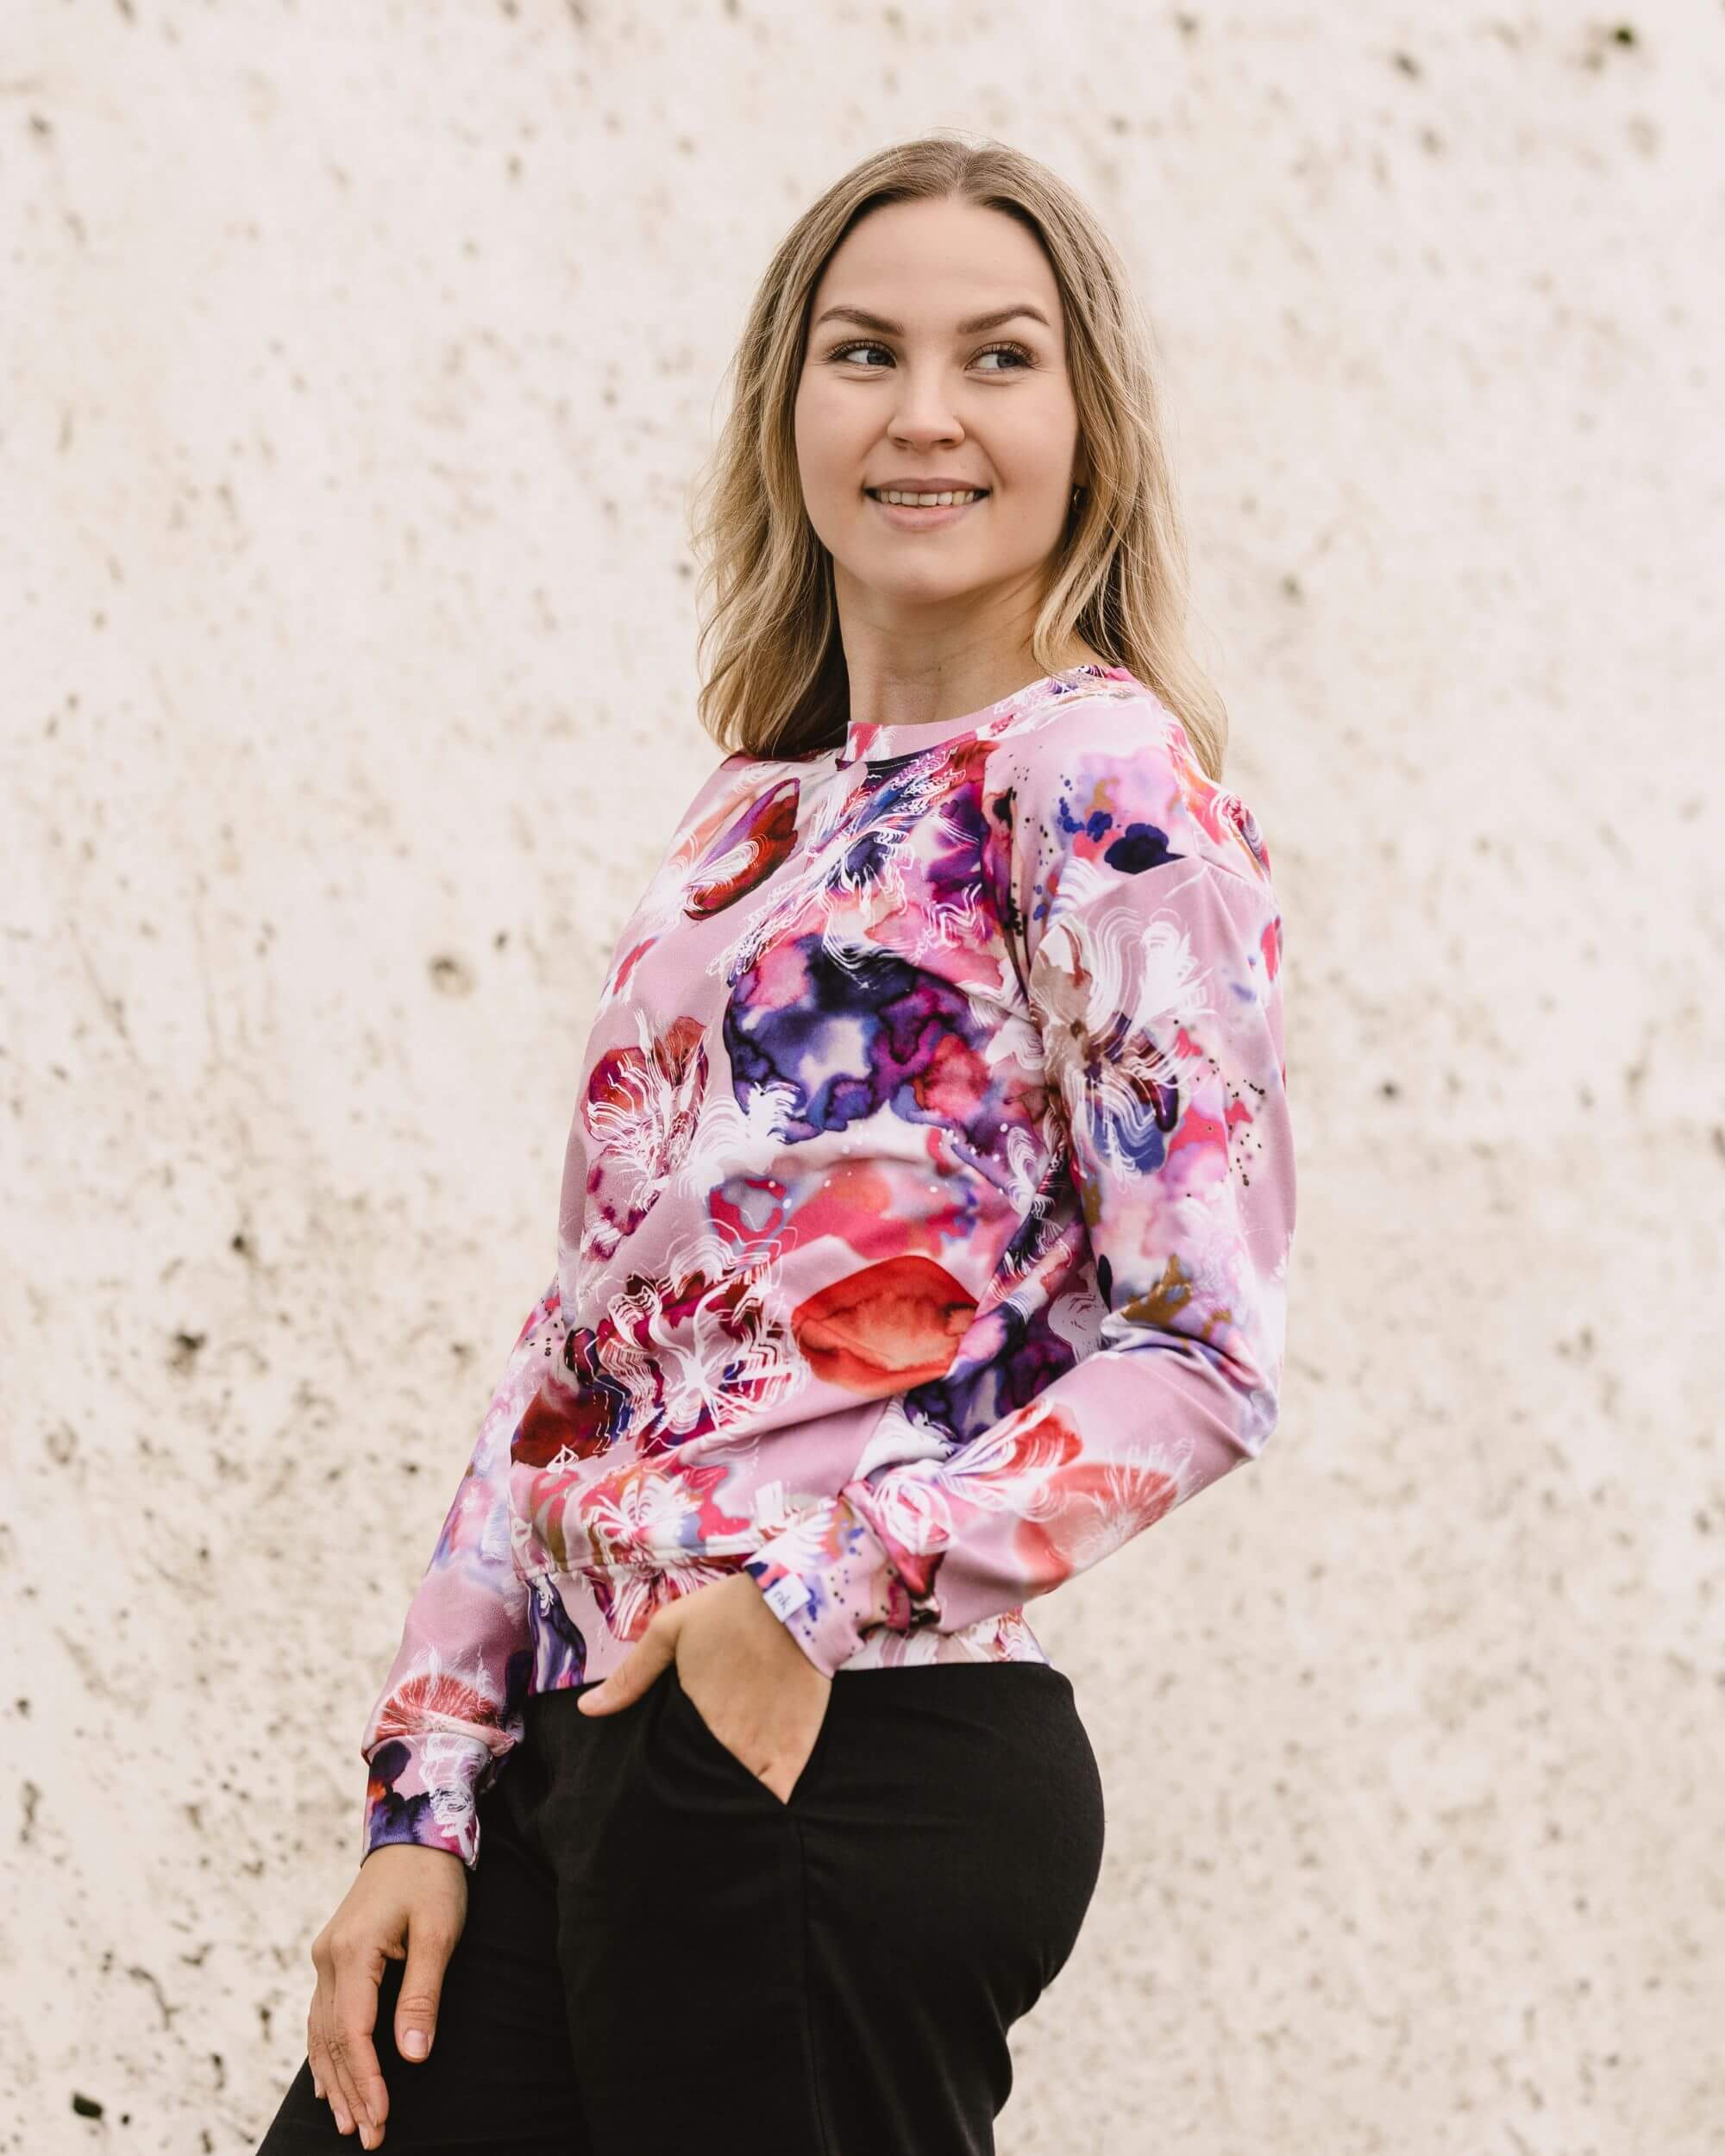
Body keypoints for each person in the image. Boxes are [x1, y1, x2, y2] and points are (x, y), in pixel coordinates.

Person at [256, 129, 1298, 2156]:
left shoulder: (1101, 786)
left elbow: (1203, 1353)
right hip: (595, 1748)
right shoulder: (750, 810)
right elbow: (586, 1343)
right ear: (786, 406)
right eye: (863, 352)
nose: (925, 413)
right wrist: (430, 1787)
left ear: (1086, 424)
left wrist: (800, 1595)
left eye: (998, 357)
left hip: (840, 1731)